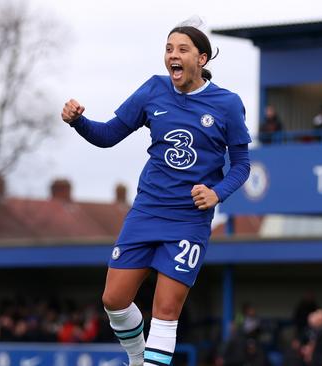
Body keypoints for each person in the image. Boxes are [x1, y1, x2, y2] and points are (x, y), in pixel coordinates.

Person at [60, 19, 251, 366]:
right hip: (146, 211)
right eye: (168, 49)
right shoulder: (153, 90)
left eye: (182, 49)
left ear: (202, 59)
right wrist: (78, 121)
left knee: (166, 309)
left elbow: (241, 164)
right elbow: (107, 136)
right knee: (113, 300)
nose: (172, 56)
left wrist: (217, 193)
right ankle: (136, 357)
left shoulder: (227, 104)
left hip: (189, 220)